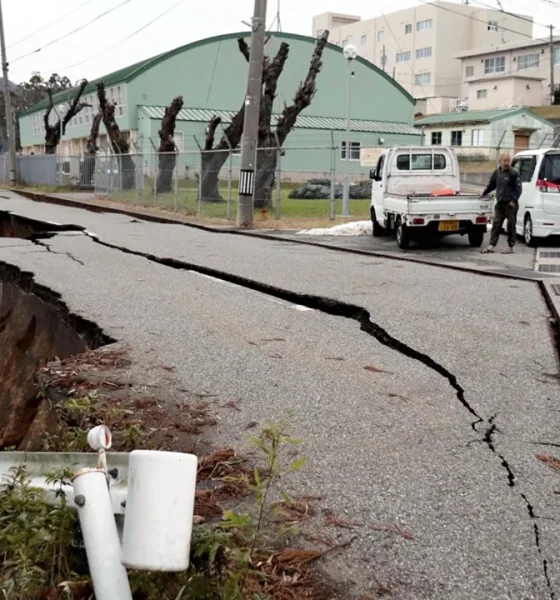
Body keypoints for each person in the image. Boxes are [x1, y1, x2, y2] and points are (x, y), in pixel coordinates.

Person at [480, 152, 522, 254]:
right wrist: (484, 192)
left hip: (510, 204)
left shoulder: (514, 173)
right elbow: (492, 185)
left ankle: (510, 246)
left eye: (508, 160)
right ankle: (492, 245)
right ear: (500, 161)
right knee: (496, 224)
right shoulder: (497, 173)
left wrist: (513, 201)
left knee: (511, 225)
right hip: (500, 203)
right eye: (505, 161)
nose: (507, 163)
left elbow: (518, 189)